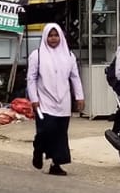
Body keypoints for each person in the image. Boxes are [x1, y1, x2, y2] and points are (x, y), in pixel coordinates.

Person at [25, 23, 84, 177]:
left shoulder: (69, 55)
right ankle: (38, 150)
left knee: (60, 133)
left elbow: (75, 77)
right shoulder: (36, 55)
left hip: (63, 101)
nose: (53, 38)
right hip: (43, 101)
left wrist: (79, 96)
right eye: (50, 35)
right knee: (45, 131)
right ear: (45, 37)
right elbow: (31, 79)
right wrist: (34, 99)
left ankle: (55, 164)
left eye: (56, 35)